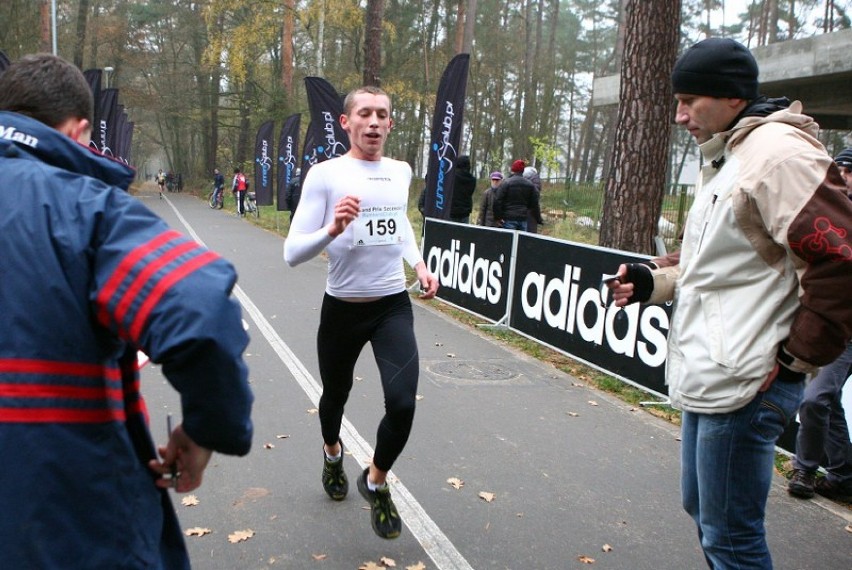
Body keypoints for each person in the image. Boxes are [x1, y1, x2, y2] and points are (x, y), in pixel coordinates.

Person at [605, 38, 852, 568]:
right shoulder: (731, 154)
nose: (679, 115)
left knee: (730, 538)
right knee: (706, 512)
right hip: (717, 374)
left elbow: (841, 263)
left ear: (733, 97)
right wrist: (651, 283)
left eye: (690, 100)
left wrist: (792, 362)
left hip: (749, 380)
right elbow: (716, 265)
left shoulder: (780, 157)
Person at [0, 54, 254, 569]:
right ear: (81, 131)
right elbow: (201, 313)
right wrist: (205, 431)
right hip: (69, 519)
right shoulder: (87, 212)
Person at [284, 85, 439, 540]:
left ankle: (375, 480)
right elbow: (293, 252)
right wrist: (332, 228)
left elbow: (400, 222)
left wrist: (420, 263)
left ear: (391, 124)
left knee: (404, 402)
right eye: (364, 114)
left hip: (392, 305)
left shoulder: (400, 171)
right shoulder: (325, 175)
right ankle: (333, 455)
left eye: (382, 115)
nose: (373, 122)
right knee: (334, 395)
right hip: (343, 310)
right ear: (345, 122)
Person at [787, 148, 852, 503]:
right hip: (842, 331)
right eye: (840, 169)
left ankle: (840, 474)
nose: (844, 176)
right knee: (818, 399)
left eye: (850, 170)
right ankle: (808, 470)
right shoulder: (831, 213)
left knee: (826, 400)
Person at [494, 159, 540, 231]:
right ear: (523, 171)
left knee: (509, 240)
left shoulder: (506, 183)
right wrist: (538, 218)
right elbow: (534, 203)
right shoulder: (530, 184)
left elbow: (497, 200)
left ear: (513, 170)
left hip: (509, 218)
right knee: (521, 240)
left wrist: (498, 217)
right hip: (523, 218)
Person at [449, 154, 477, 224]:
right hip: (465, 212)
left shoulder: (452, 177)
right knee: (462, 233)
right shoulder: (472, 180)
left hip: (452, 211)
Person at [522, 165, 544, 233]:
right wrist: (539, 218)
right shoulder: (536, 181)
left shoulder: (519, 179)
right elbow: (535, 202)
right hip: (531, 215)